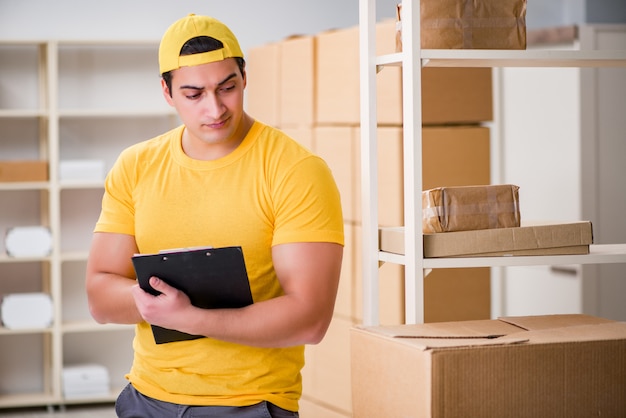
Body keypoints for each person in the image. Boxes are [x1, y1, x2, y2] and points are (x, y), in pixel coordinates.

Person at [85, 13, 344, 418]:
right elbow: (99, 295)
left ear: (244, 76)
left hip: (248, 404)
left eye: (228, 87)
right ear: (167, 93)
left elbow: (310, 318)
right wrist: (154, 301)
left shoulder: (295, 169)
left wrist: (191, 317)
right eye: (194, 94)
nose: (215, 108)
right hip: (145, 398)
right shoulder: (135, 165)